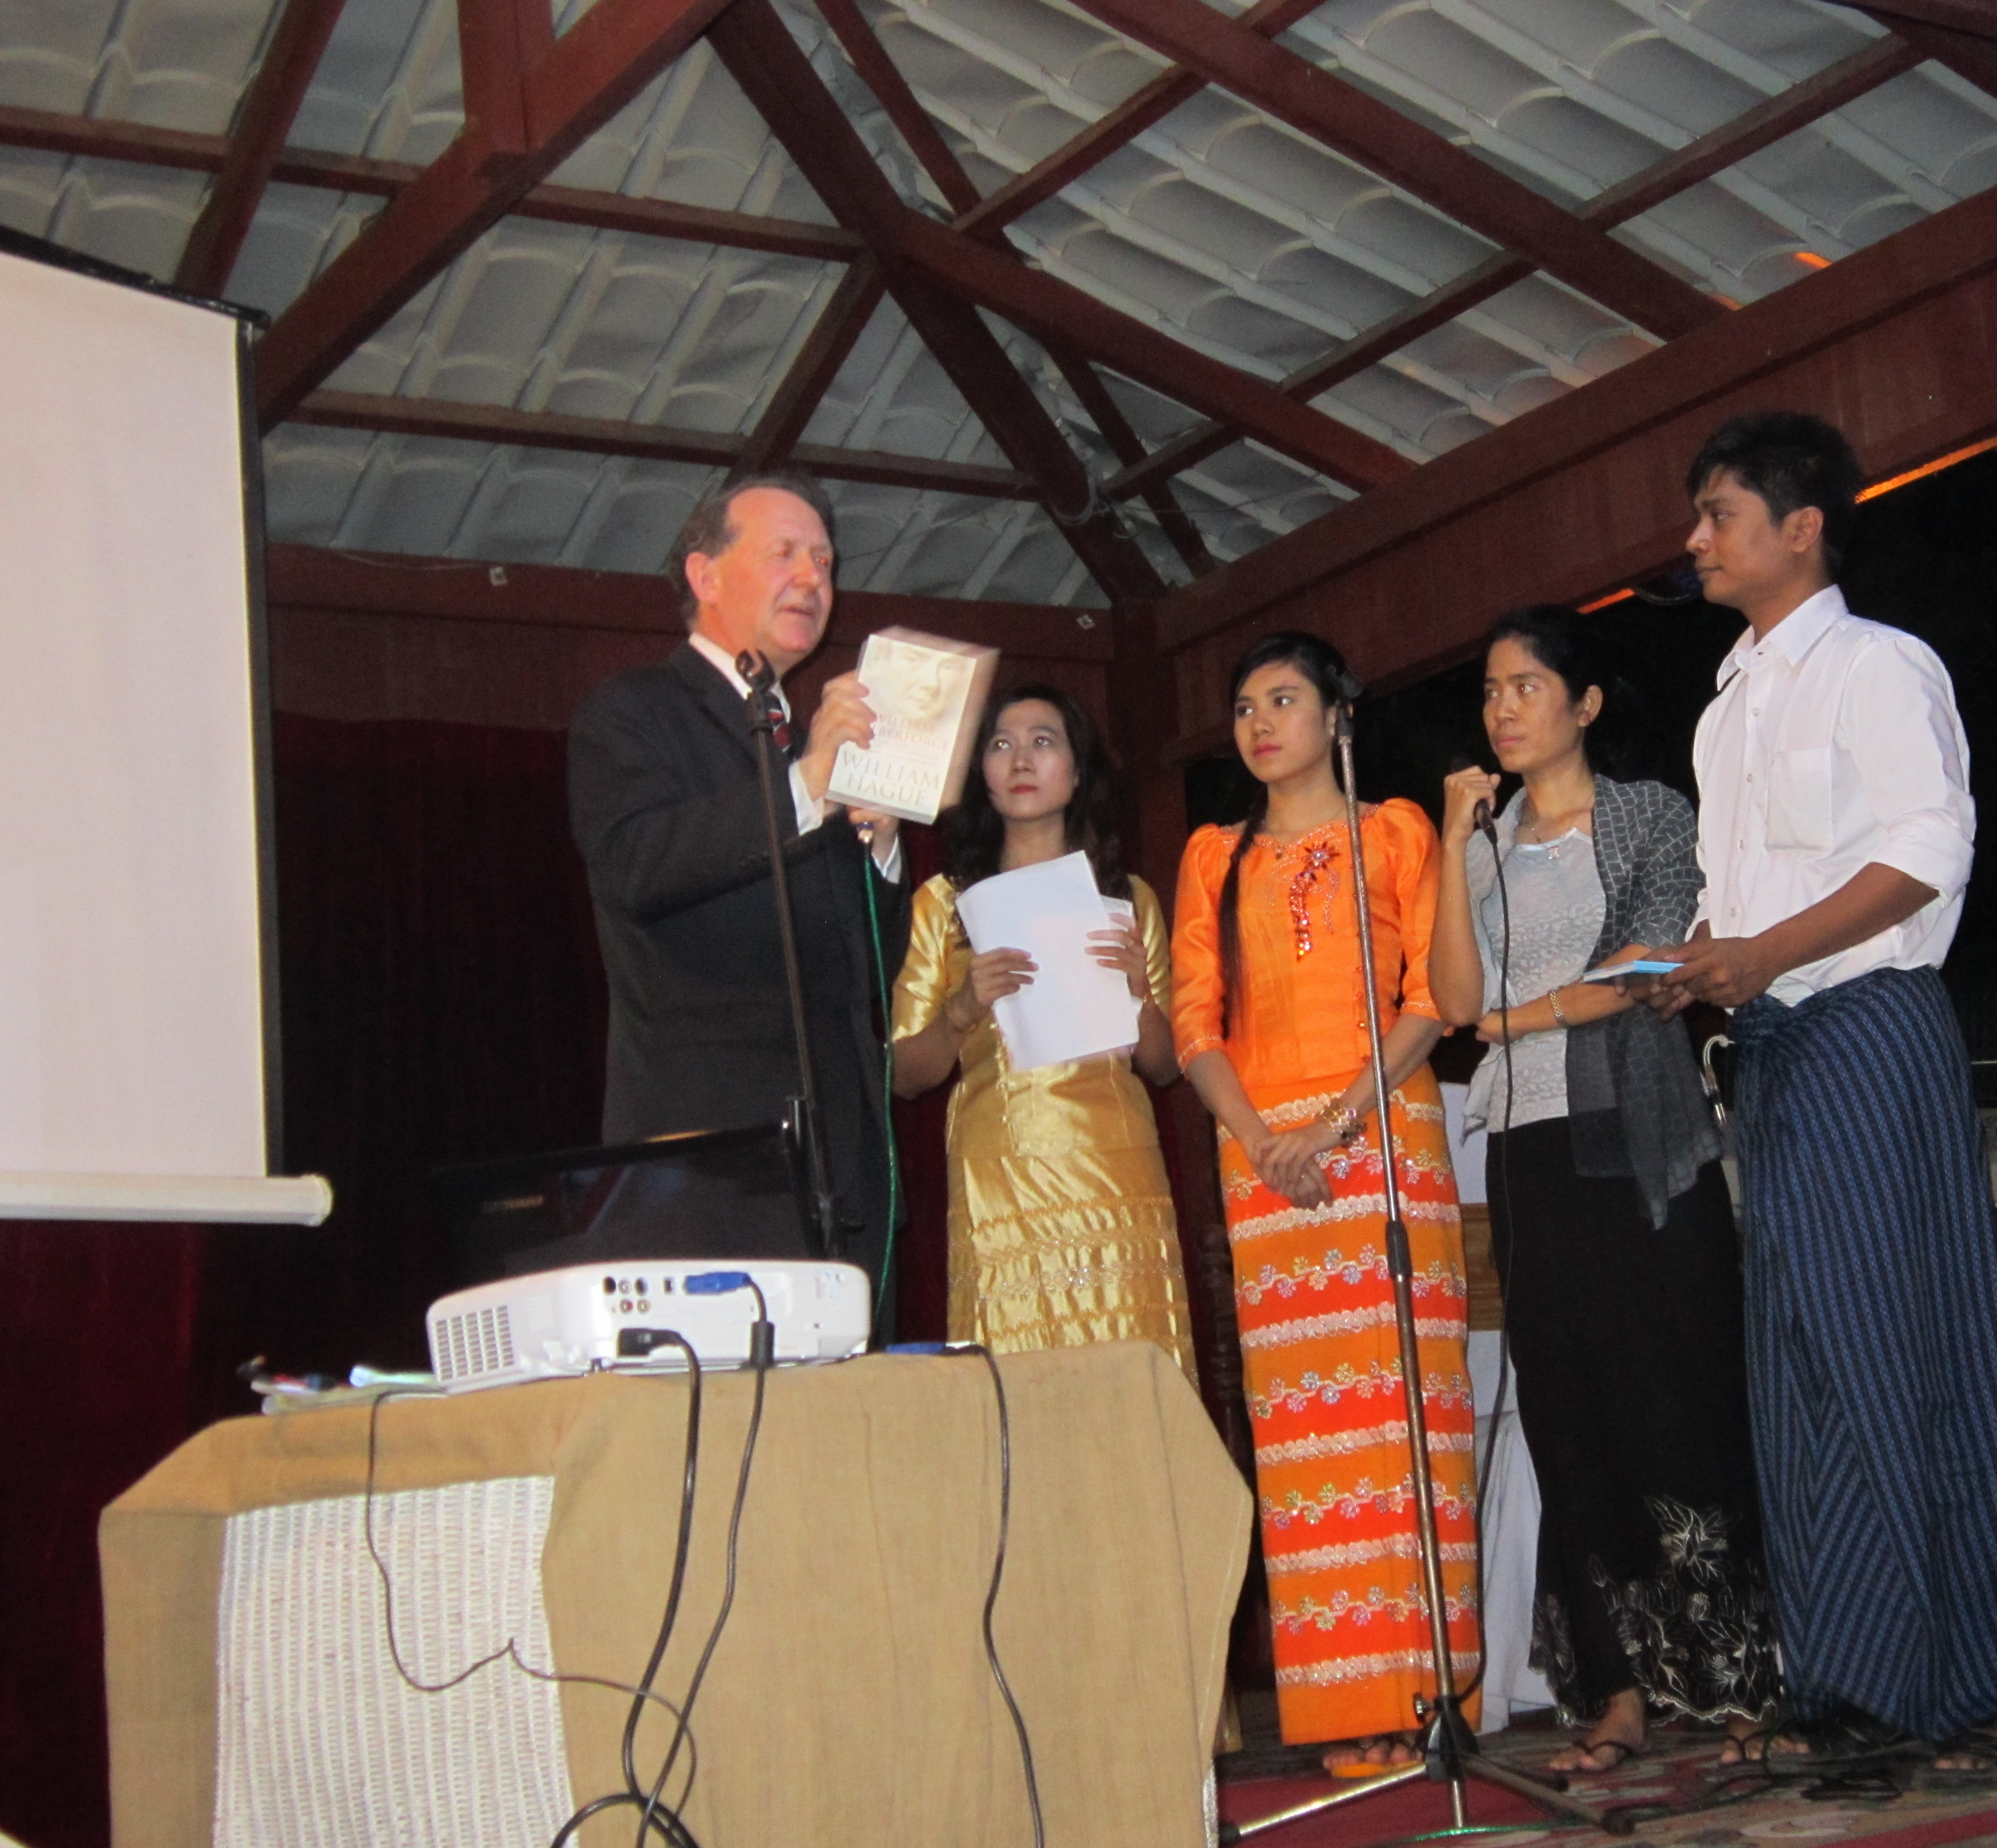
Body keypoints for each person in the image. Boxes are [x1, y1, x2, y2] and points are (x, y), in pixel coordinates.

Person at [1626, 412, 1997, 1783]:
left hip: (1871, 1029)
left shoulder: (1884, 664)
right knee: (1807, 1369)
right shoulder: (1723, 712)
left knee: (1914, 1343)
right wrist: (1699, 967)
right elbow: (1739, 899)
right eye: (1699, 517)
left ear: (1801, 525)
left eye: (1720, 515)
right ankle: (1858, 1687)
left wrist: (1767, 951)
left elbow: (1929, 851)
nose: (1698, 542)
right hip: (1772, 1047)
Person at [1428, 609, 1780, 1772]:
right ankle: (1615, 1690)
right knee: (1568, 1413)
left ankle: (1742, 1680)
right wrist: (1448, 841)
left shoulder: (1645, 816)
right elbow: (1448, 989)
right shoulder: (1484, 845)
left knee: (1678, 1393)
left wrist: (1514, 1019)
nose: (1504, 708)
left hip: (1631, 1134)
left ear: (1584, 704)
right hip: (1525, 1151)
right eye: (1490, 690)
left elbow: (1642, 969)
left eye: (1527, 686)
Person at [1171, 633, 1482, 1773]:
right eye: (1246, 705)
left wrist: (1336, 1125)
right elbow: (1195, 1022)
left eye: (1285, 700)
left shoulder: (1395, 832)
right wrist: (1264, 1141)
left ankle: (1425, 1697)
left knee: (1406, 1427)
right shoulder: (1214, 856)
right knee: (1308, 1451)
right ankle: (1344, 1707)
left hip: (1382, 1140)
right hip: (1265, 1169)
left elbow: (1434, 1002)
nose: (1259, 723)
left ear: (1340, 715)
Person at [567, 476, 909, 1295]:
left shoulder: (812, 744)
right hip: (707, 1158)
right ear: (705, 575)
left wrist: (882, 854)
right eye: (785, 553)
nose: (812, 579)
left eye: (825, 561)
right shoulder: (634, 712)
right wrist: (804, 788)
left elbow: (871, 966)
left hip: (844, 1165)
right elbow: (639, 867)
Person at [888, 684, 1198, 1382]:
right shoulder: (943, 904)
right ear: (983, 775)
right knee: (1021, 1375)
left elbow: (1166, 1065)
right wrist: (962, 1010)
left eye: (1042, 741)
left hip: (1115, 1166)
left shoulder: (1127, 895)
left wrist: (1141, 1000)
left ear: (1079, 771)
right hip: (1003, 1169)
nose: (1020, 759)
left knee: (1129, 1364)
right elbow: (905, 1073)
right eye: (1001, 744)